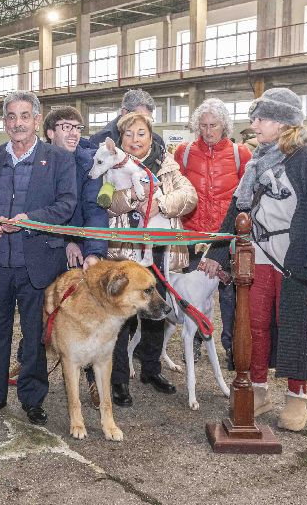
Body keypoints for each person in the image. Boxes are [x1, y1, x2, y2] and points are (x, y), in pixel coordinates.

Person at [201, 88, 307, 432]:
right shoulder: (257, 161)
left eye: (261, 119)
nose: (254, 125)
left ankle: (297, 397)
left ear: (282, 123)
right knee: (253, 324)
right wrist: (217, 253)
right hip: (257, 255)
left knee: (295, 324)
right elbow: (238, 209)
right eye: (254, 118)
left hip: (294, 257)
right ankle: (259, 390)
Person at [0, 91, 77, 425]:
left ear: (36, 120)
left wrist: (32, 220)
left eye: (24, 116)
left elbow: (66, 204)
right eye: (12, 117)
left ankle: (32, 399)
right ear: (5, 122)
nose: (18, 123)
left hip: (38, 265)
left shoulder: (58, 159)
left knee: (35, 336)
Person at [104, 110, 197, 407]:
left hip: (159, 250)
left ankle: (151, 369)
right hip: (124, 251)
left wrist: (161, 204)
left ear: (150, 135)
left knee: (156, 311)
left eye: (141, 133)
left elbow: (190, 196)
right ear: (121, 138)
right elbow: (106, 202)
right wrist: (133, 196)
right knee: (121, 315)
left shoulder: (167, 165)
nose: (135, 139)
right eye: (128, 134)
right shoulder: (111, 165)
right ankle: (118, 378)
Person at [173, 98, 252, 369]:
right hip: (194, 237)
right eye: (204, 125)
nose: (208, 131)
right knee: (195, 297)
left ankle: (232, 347)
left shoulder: (241, 154)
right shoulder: (184, 153)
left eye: (214, 125)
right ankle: (194, 342)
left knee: (230, 297)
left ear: (224, 126)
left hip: (227, 238)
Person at [43, 106, 108, 406]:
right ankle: (30, 362)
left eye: (77, 127)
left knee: (89, 314)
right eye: (66, 126)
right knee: (41, 306)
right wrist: (66, 240)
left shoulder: (90, 163)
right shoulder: (40, 161)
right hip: (49, 245)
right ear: (50, 133)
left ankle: (92, 380)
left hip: (82, 247)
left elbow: (95, 210)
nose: (73, 133)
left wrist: (92, 251)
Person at [89, 88, 155, 146]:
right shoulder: (100, 140)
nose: (144, 124)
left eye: (148, 120)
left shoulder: (155, 140)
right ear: (124, 113)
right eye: (140, 118)